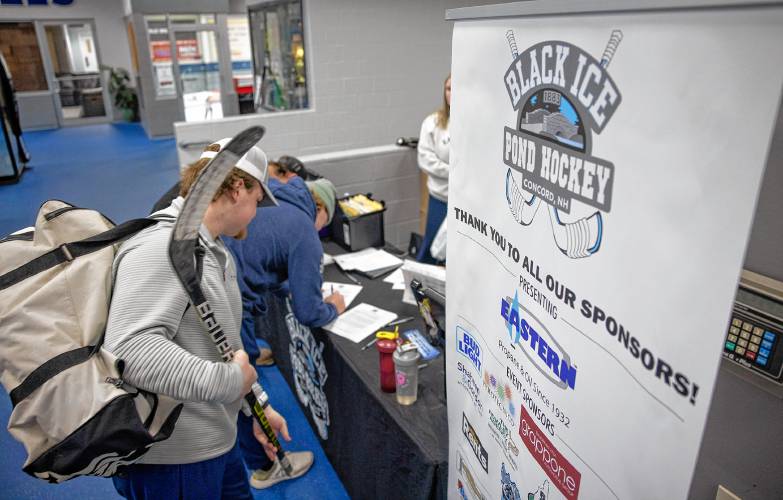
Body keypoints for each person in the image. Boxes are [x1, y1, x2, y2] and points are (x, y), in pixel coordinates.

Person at [104, 139, 305, 499]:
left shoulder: (211, 248)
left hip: (215, 442)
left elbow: (220, 345)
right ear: (239, 188)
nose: (256, 214)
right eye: (258, 201)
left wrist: (257, 405)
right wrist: (230, 382)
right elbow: (130, 352)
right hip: (174, 462)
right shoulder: (161, 248)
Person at [225, 171, 345, 489]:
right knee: (241, 382)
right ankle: (266, 466)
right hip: (233, 304)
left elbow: (265, 258)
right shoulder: (304, 229)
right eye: (325, 222)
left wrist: (293, 284)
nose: (321, 229)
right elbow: (309, 314)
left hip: (223, 278)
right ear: (320, 210)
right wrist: (334, 306)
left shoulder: (276, 203)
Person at [416, 73, 451, 264]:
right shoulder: (433, 122)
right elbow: (426, 160)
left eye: (456, 88)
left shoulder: (473, 124)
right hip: (440, 199)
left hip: (465, 201)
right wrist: (454, 173)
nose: (452, 93)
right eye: (448, 89)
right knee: (432, 250)